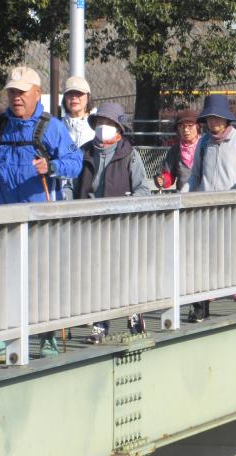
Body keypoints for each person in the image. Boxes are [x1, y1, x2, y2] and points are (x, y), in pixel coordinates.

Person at [0, 66, 83, 363]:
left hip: (39, 218)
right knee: (1, 279)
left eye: (21, 92)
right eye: (11, 92)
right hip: (4, 217)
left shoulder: (51, 127)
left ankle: (47, 339)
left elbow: (76, 161)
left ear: (36, 93)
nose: (15, 98)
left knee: (41, 279)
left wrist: (52, 167)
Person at [74, 102, 150, 343]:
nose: (102, 127)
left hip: (121, 225)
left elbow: (143, 189)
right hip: (90, 225)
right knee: (97, 276)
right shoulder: (83, 152)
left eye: (108, 123)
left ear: (119, 128)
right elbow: (71, 186)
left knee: (125, 273)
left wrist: (127, 205)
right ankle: (100, 324)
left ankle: (134, 318)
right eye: (99, 122)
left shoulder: (130, 154)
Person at [183, 95, 236, 315]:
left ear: (226, 119)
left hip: (234, 209)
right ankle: (201, 305)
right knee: (204, 258)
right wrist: (179, 198)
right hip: (207, 209)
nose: (213, 123)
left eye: (217, 118)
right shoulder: (204, 142)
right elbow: (194, 176)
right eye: (209, 119)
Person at [155, 109, 200, 192]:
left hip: (205, 196)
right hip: (183, 197)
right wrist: (163, 180)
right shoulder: (175, 150)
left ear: (197, 127)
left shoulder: (205, 146)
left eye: (190, 126)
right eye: (182, 127)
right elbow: (169, 175)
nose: (186, 130)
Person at [61, 75, 95, 148]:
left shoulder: (98, 123)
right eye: (70, 94)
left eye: (79, 93)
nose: (74, 97)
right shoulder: (58, 126)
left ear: (88, 97)